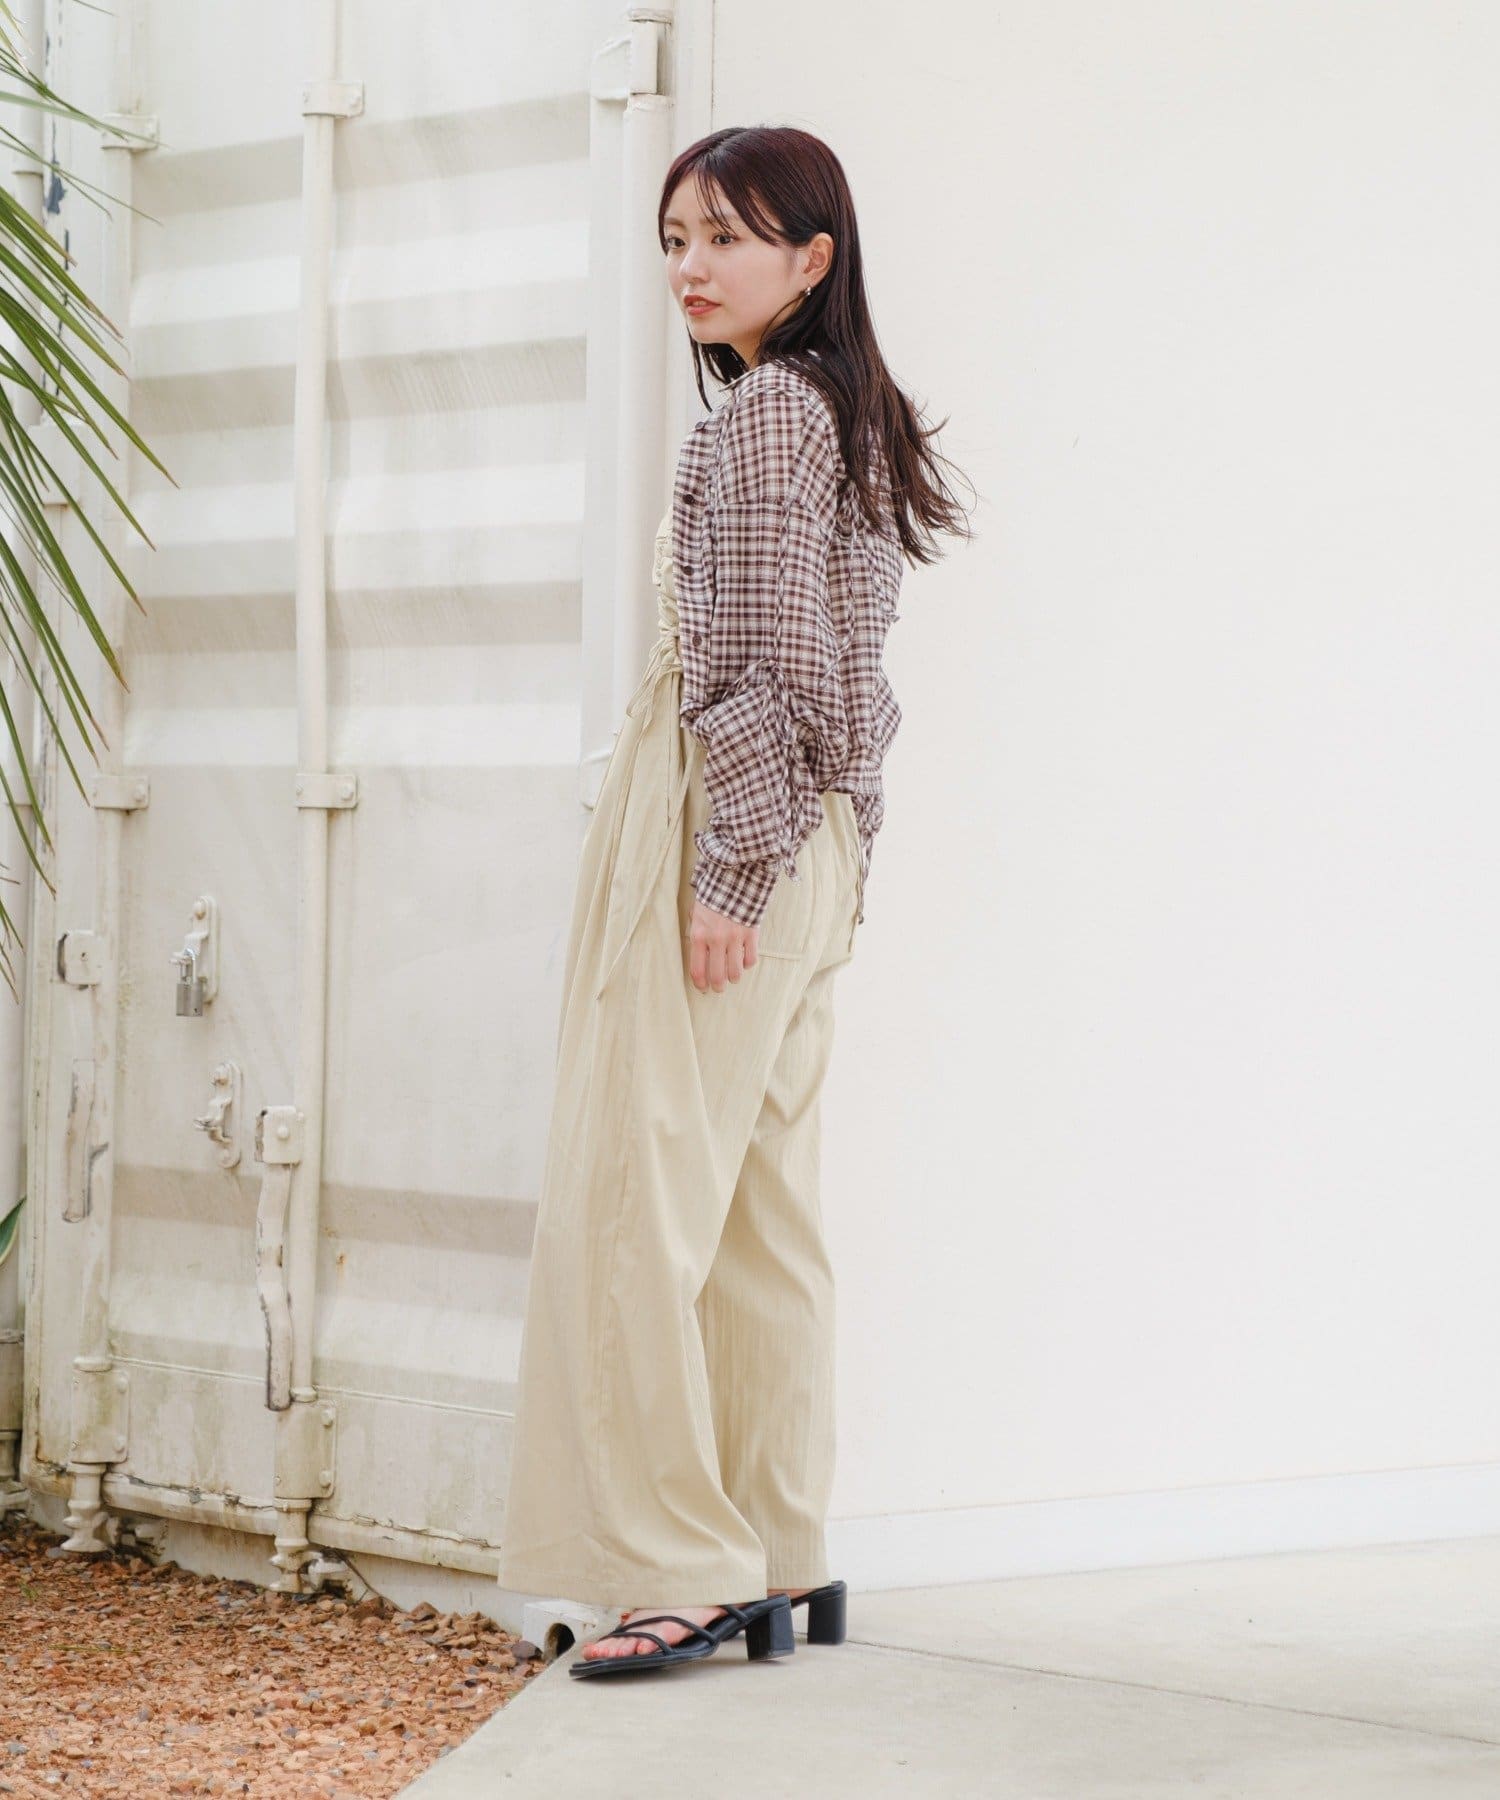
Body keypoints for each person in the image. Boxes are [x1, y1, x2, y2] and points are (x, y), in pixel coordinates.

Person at [495, 124, 972, 1679]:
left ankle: (680, 1568)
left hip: (729, 830)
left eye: (726, 238)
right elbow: (850, 676)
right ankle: (777, 1550)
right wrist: (826, 850)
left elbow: (767, 663)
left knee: (638, 1201)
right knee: (764, 1210)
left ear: (812, 258)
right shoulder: (845, 413)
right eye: (675, 240)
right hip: (812, 843)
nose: (690, 270)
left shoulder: (766, 415)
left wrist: (732, 869)